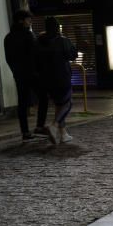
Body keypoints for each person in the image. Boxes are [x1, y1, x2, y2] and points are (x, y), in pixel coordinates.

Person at [35, 16, 78, 144]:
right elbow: (72, 54)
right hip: (62, 76)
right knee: (67, 102)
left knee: (59, 104)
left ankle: (63, 133)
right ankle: (54, 125)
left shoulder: (39, 41)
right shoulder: (62, 41)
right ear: (57, 27)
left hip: (46, 79)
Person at [3, 10, 43, 141]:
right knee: (43, 97)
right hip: (32, 73)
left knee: (22, 102)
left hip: (19, 74)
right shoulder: (28, 35)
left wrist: (16, 71)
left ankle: (25, 132)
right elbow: (36, 54)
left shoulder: (8, 37)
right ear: (21, 20)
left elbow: (8, 59)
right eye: (28, 19)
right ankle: (39, 126)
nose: (30, 21)